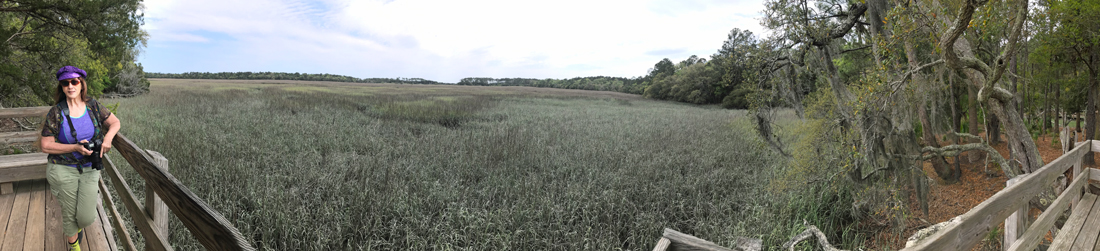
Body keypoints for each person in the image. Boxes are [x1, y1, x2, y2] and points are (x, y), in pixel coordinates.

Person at [38, 66, 121, 251]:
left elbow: (115, 122)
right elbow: (45, 145)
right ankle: (74, 246)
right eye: (65, 83)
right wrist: (75, 147)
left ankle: (78, 227)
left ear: (81, 84)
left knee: (86, 217)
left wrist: (108, 139)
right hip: (62, 168)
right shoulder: (56, 112)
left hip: (90, 167)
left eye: (74, 81)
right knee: (69, 214)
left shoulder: (92, 106)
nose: (70, 86)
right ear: (61, 86)